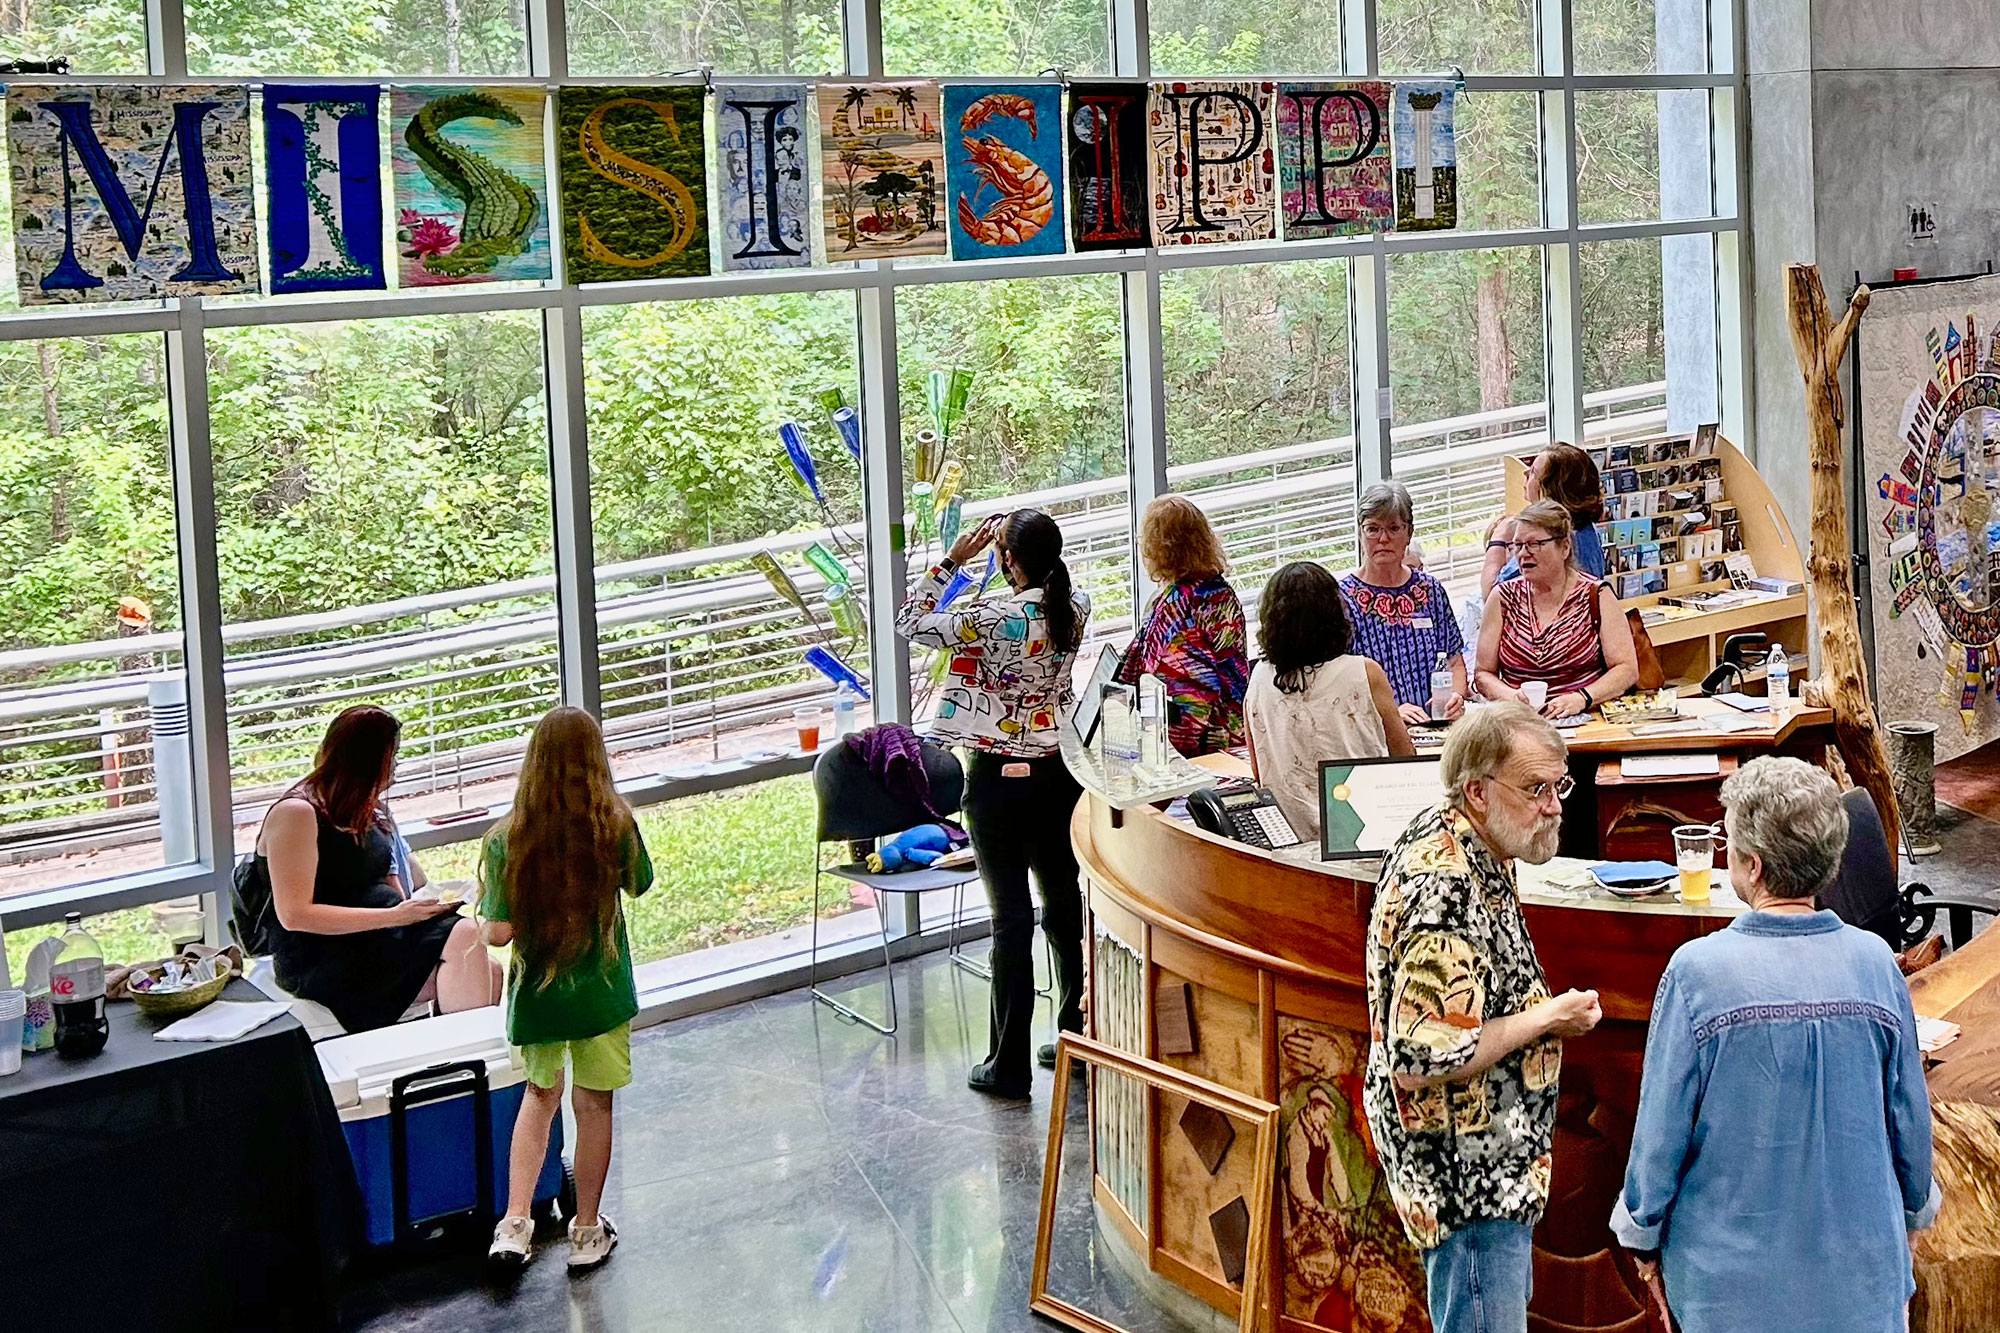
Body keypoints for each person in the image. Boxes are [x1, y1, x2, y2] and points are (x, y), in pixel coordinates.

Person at [1612, 757, 1938, 1333]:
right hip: (1861, 1280)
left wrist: (1642, 1240)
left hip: (1728, 1290)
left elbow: (1659, 1138)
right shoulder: (1876, 966)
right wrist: (1911, 1219)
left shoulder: (1696, 974)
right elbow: (1911, 1124)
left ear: (1753, 866)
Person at [1361, 702, 1603, 1333]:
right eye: (1535, 789)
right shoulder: (1445, 886)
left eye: (1559, 786)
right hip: (1465, 1179)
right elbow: (1418, 1057)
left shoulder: (1476, 844)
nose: (1554, 806)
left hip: (1492, 1163)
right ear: (1476, 790)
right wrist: (1549, 1017)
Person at [896, 509, 1090, 1099]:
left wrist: (952, 561)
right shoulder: (1074, 606)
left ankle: (1007, 1065)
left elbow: (911, 624)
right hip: (1059, 776)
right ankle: (1077, 1039)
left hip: (997, 786)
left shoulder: (989, 617)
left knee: (1010, 921)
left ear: (1008, 559)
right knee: (1063, 908)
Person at [483, 706, 655, 1271]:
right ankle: (586, 1232)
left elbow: (500, 932)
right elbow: (641, 884)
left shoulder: (508, 840)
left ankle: (513, 1226)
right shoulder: (614, 825)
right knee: (594, 1106)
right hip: (601, 995)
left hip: (539, 1001)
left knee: (538, 1101)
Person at [257, 705, 500, 1033]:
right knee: (468, 938)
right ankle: (463, 1063)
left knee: (489, 966)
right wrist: (396, 917)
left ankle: (459, 1065)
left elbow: (389, 881)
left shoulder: (367, 807)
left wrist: (420, 908)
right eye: (393, 755)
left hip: (380, 933)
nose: (397, 766)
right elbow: (294, 914)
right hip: (325, 951)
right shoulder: (297, 814)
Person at [1244, 561, 1414, 842]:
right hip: (1363, 836)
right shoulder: (1363, 672)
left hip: (1290, 840)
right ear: (1334, 614)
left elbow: (1258, 770)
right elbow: (1405, 761)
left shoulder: (1259, 677)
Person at [1476, 499, 1637, 720]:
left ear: (1564, 548)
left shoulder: (1596, 595)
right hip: (1520, 723)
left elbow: (1626, 669)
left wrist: (1581, 698)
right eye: (1517, 545)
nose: (1523, 554)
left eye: (1534, 544)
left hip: (1585, 720)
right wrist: (1512, 697)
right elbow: (1483, 674)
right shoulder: (1502, 597)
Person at [1113, 495, 1249, 756]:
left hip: (1192, 737)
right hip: (1231, 728)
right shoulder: (1223, 595)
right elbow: (1235, 670)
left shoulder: (1172, 604)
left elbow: (1154, 673)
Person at [1340, 481, 1468, 725]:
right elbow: (1335, 685)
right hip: (1375, 733)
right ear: (1359, 532)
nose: (1383, 539)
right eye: (1373, 529)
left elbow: (1455, 662)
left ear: (1409, 533)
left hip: (1437, 727)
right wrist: (1390, 712)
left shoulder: (1430, 590)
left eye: (1394, 528)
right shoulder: (1341, 600)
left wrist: (1455, 697)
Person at [1481, 443, 1608, 595]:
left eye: (1533, 472)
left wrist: (1498, 540)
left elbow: (1493, 595)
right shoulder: (1588, 530)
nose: (1525, 473)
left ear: (1549, 491)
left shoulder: (1547, 541)